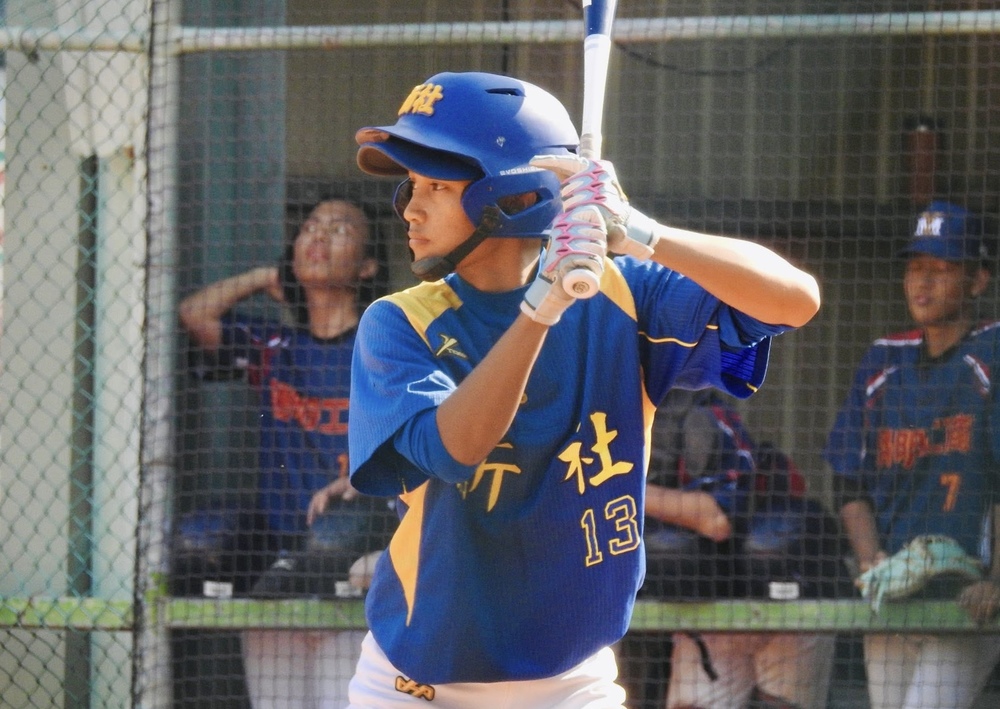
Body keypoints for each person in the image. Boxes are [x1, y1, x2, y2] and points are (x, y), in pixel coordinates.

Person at [345, 71, 820, 709]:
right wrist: (539, 310)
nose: (410, 208)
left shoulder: (623, 294)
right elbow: (452, 448)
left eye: (437, 186)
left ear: (513, 197)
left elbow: (794, 301)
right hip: (421, 680)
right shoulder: (400, 322)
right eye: (411, 185)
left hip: (571, 678)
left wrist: (643, 234)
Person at [178, 196, 397, 708]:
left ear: (367, 266)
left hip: (351, 562)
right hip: (275, 562)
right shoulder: (275, 346)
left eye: (339, 229)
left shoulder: (385, 348)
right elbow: (195, 314)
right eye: (309, 227)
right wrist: (266, 277)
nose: (318, 236)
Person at [824, 200, 1000, 709]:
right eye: (915, 268)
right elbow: (848, 480)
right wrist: (869, 559)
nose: (922, 283)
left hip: (964, 599)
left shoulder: (991, 354)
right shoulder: (884, 359)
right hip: (894, 595)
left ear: (977, 280)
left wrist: (997, 581)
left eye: (941, 269)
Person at [638, 389, 842, 709]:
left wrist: (626, 488)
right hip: (707, 615)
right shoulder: (604, 421)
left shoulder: (701, 417)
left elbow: (717, 520)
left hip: (784, 611)